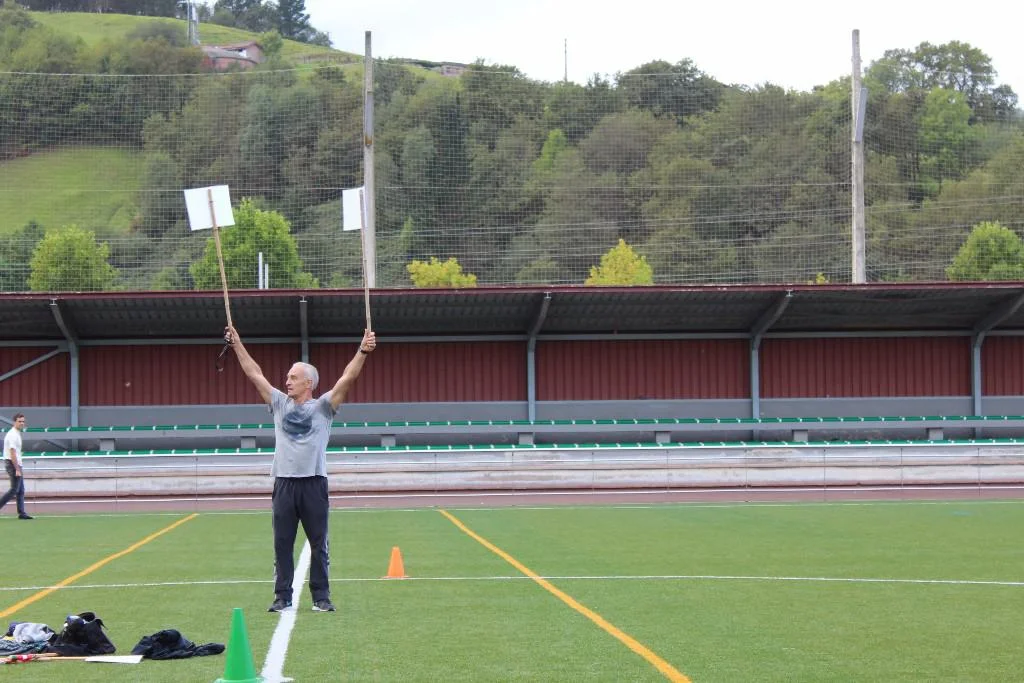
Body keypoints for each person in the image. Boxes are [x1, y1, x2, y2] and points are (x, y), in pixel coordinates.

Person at [225, 325, 376, 613]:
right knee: (282, 543)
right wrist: (237, 344)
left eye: (293, 377)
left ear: (309, 383)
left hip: (314, 483)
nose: (287, 381)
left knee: (319, 544)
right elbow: (254, 373)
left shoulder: (324, 407)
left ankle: (321, 597)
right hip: (284, 483)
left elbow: (348, 377)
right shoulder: (279, 404)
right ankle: (282, 596)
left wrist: (362, 351)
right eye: (287, 377)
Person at [1, 413, 32, 519]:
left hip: (16, 463)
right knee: (14, 490)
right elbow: (12, 452)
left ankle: (22, 513)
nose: (22, 423)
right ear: (14, 422)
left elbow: (15, 452)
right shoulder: (13, 435)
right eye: (19, 421)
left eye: (23, 421)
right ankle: (21, 513)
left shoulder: (16, 433)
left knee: (21, 490)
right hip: (13, 464)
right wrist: (17, 469)